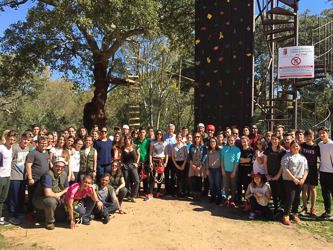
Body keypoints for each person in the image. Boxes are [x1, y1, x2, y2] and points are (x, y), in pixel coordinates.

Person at [32, 158, 69, 230]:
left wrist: (59, 195)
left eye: (62, 167)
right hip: (40, 199)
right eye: (58, 166)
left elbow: (67, 189)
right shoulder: (47, 175)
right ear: (53, 166)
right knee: (51, 201)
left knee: (62, 219)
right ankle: (49, 222)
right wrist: (57, 196)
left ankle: (42, 215)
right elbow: (48, 193)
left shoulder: (64, 174)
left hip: (56, 198)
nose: (60, 169)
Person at [281, 140, 308, 225]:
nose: (295, 148)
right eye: (293, 146)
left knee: (297, 198)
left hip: (300, 181)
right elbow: (285, 169)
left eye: (297, 146)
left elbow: (306, 169)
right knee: (290, 198)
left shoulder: (303, 157)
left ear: (299, 147)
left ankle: (295, 213)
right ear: (290, 147)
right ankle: (286, 214)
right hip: (289, 180)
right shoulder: (287, 156)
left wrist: (303, 179)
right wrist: (293, 179)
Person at [25, 135, 50, 221]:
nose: (44, 145)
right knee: (32, 197)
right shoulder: (33, 153)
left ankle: (39, 214)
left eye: (45, 143)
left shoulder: (47, 153)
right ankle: (29, 213)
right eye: (42, 143)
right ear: (38, 143)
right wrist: (30, 178)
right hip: (35, 179)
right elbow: (28, 166)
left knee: (42, 197)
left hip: (44, 180)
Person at [7, 132, 30, 225]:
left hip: (23, 176)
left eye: (28, 140)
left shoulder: (28, 149)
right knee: (14, 196)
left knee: (21, 195)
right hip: (14, 176)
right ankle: (12, 215)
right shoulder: (14, 148)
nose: (26, 141)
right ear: (21, 139)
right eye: (24, 139)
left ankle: (19, 211)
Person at [263, 134, 286, 216]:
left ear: (279, 140)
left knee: (281, 191)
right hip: (270, 174)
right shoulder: (267, 150)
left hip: (279, 175)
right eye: (272, 139)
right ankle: (276, 208)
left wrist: (278, 175)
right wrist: (266, 174)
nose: (274, 141)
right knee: (274, 192)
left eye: (276, 139)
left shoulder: (282, 151)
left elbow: (283, 165)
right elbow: (265, 163)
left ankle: (284, 208)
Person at [300, 129, 320, 217]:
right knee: (304, 188)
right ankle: (304, 207)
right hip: (303, 170)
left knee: (313, 188)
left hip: (313, 170)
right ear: (304, 137)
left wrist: (319, 171)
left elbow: (320, 159)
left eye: (310, 136)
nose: (308, 137)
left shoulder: (316, 147)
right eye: (307, 136)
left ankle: (312, 208)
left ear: (313, 137)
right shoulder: (302, 146)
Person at [0, 130, 18, 226]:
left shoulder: (12, 149)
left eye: (14, 140)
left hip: (7, 176)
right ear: (6, 137)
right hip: (1, 176)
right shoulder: (1, 148)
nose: (12, 141)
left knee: (2, 199)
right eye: (10, 139)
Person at [317, 126, 333, 221]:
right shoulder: (320, 144)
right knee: (325, 194)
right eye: (320, 133)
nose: (322, 135)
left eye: (323, 133)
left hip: (332, 173)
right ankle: (328, 212)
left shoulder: (332, 144)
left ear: (328, 133)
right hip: (323, 172)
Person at [146, 130, 168, 201]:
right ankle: (150, 193)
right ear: (156, 135)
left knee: (160, 177)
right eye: (158, 134)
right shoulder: (153, 143)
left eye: (160, 134)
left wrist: (165, 162)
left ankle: (158, 192)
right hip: (154, 160)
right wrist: (150, 162)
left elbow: (166, 153)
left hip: (161, 161)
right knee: (152, 177)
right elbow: (150, 153)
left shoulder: (165, 143)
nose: (159, 135)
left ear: (162, 135)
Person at [221, 135, 241, 207]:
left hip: (234, 171)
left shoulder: (237, 150)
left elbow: (237, 161)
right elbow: (222, 159)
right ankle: (227, 199)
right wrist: (222, 169)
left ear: (234, 141)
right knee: (226, 185)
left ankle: (232, 200)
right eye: (229, 140)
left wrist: (234, 171)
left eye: (232, 140)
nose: (230, 142)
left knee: (233, 185)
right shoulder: (224, 149)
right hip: (225, 170)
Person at [121, 134, 140, 202]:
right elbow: (121, 156)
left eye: (129, 138)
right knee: (127, 181)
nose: (127, 140)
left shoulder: (135, 146)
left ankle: (133, 195)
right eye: (126, 139)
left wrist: (137, 163)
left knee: (137, 181)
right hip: (125, 166)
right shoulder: (123, 147)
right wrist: (121, 163)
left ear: (131, 139)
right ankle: (128, 195)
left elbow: (138, 155)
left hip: (133, 165)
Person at [188, 132, 207, 202]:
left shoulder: (203, 146)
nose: (197, 138)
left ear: (200, 138)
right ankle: (194, 194)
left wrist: (201, 165)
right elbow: (189, 156)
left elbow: (205, 155)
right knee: (193, 180)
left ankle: (199, 195)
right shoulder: (192, 146)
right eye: (195, 137)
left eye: (198, 137)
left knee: (199, 180)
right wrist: (192, 164)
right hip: (193, 164)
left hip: (200, 165)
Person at [237, 136, 253, 208]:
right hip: (241, 168)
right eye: (242, 141)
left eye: (244, 141)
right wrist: (243, 160)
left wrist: (241, 160)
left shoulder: (250, 149)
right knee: (239, 183)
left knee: (246, 185)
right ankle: (239, 199)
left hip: (248, 169)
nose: (243, 143)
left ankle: (247, 201)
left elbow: (249, 160)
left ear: (248, 141)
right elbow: (238, 159)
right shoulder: (240, 149)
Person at [205, 137, 222, 205]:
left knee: (217, 184)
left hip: (218, 169)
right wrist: (207, 169)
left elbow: (222, 160)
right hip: (210, 169)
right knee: (211, 184)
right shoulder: (208, 150)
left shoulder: (220, 150)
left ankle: (219, 197)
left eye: (213, 141)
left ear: (216, 142)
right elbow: (207, 160)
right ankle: (213, 196)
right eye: (211, 142)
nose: (212, 143)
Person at [134, 127, 150, 196]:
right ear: (139, 133)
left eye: (143, 132)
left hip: (145, 161)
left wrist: (149, 162)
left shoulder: (148, 141)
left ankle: (145, 191)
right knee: (137, 177)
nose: (142, 134)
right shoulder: (135, 141)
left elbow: (150, 152)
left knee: (145, 177)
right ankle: (137, 191)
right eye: (141, 132)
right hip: (138, 162)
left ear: (145, 133)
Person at [171, 133, 188, 199]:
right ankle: (179, 191)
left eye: (180, 137)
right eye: (177, 137)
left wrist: (183, 164)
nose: (179, 139)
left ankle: (183, 192)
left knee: (183, 178)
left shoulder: (184, 146)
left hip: (183, 162)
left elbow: (186, 156)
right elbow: (172, 156)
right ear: (176, 138)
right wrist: (176, 165)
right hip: (176, 163)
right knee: (178, 178)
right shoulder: (173, 146)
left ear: (181, 138)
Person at [164, 124, 177, 196]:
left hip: (174, 158)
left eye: (172, 129)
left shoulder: (176, 137)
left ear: (174, 130)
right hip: (166, 158)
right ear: (167, 129)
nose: (170, 130)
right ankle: (167, 190)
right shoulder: (164, 136)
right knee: (166, 175)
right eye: (169, 129)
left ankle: (172, 190)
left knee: (173, 175)